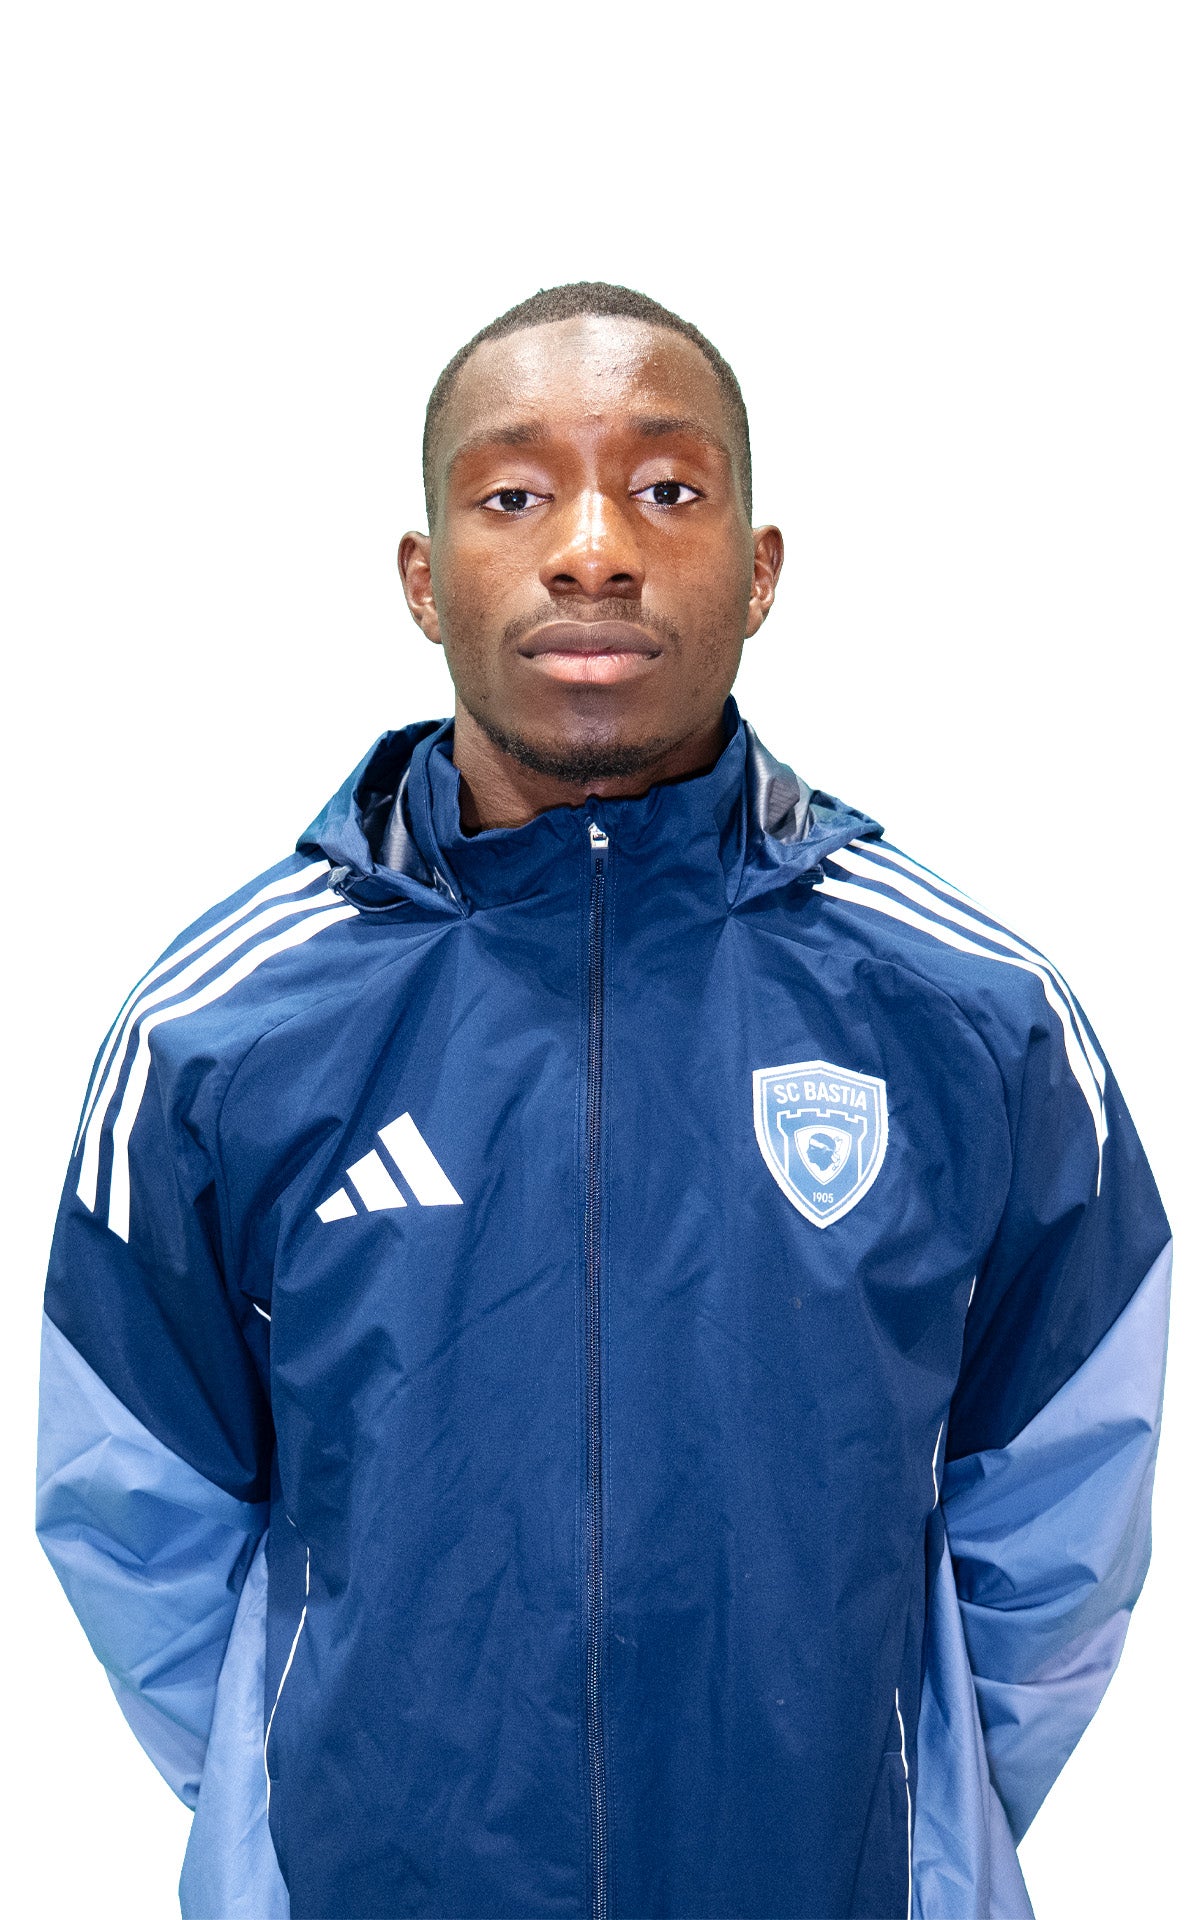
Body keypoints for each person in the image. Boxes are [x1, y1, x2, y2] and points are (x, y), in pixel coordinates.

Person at [36, 282, 1170, 1920]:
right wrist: (327, 1798)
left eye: (665, 487)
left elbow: (1062, 1509)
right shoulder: (220, 1027)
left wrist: (895, 1813)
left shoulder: (971, 1015)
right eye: (514, 495)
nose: (591, 549)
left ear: (760, 570)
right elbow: (140, 1513)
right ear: (423, 577)